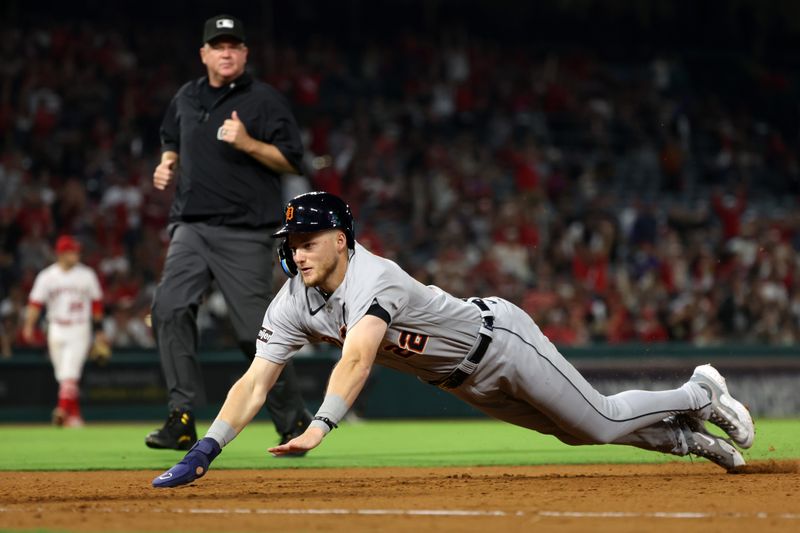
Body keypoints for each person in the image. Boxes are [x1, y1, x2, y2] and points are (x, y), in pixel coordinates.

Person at [152, 192, 756, 488]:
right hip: (460, 379)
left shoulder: (374, 276)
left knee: (596, 420)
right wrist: (206, 449)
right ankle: (685, 440)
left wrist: (322, 424)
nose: (297, 251)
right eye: (292, 243)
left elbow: (359, 355)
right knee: (573, 432)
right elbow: (256, 379)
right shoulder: (292, 301)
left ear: (341, 239)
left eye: (309, 240)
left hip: (501, 342)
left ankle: (698, 392)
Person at [146, 14, 311, 452]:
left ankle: (293, 418)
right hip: (192, 227)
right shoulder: (185, 97)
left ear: (244, 53)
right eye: (218, 45)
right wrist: (167, 161)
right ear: (204, 54)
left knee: (253, 333)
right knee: (168, 307)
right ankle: (180, 418)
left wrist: (248, 143)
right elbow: (169, 137)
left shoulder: (264, 101)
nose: (226, 52)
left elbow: (294, 160)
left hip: (245, 232)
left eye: (234, 45)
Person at [22, 235, 108, 427]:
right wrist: (28, 325)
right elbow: (35, 303)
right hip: (56, 328)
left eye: (77, 251)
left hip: (79, 327)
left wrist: (99, 330)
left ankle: (61, 410)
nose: (76, 254)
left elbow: (96, 305)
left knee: (70, 372)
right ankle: (74, 416)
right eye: (71, 251)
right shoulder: (47, 276)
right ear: (61, 253)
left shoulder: (87, 274)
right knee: (63, 375)